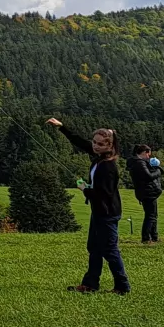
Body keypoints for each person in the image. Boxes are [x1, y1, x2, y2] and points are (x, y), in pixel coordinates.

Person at [48, 116, 128, 295]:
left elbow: (104, 195)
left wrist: (84, 189)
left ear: (110, 147)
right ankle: (90, 284)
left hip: (107, 213)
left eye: (100, 144)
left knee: (109, 249)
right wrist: (62, 127)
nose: (95, 146)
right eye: (95, 142)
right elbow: (81, 143)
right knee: (94, 247)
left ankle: (122, 286)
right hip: (99, 212)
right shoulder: (99, 158)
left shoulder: (108, 167)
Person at [127, 144, 163, 244]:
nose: (149, 157)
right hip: (147, 192)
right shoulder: (139, 163)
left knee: (153, 215)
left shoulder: (136, 162)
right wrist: (159, 171)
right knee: (150, 215)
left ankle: (154, 236)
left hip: (146, 191)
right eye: (148, 154)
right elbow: (148, 176)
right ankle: (146, 238)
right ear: (144, 153)